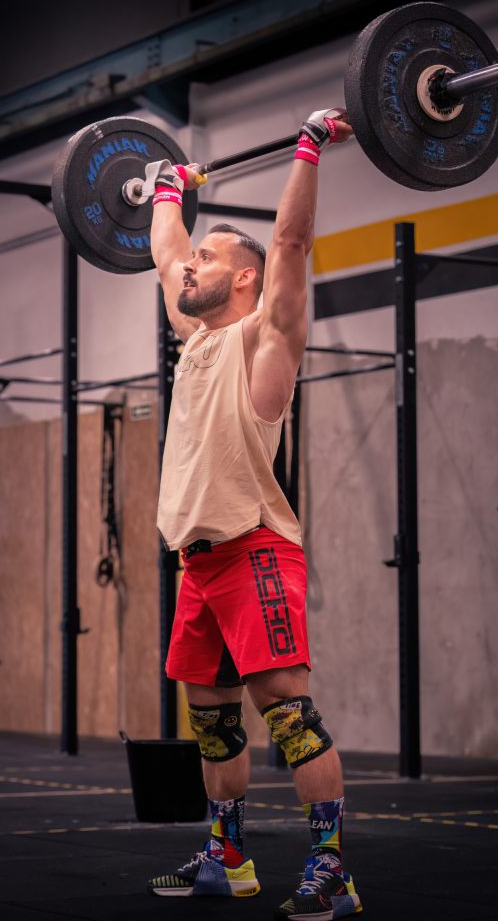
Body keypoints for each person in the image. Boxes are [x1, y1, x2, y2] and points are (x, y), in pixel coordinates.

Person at [145, 108, 362, 921]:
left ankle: (331, 868)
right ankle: (227, 857)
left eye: (209, 258)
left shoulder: (265, 341)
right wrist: (168, 187)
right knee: (212, 728)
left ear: (244, 279)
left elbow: (293, 250)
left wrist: (307, 150)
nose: (189, 267)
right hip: (196, 566)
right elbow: (165, 247)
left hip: (256, 552)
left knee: (291, 720)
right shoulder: (193, 337)